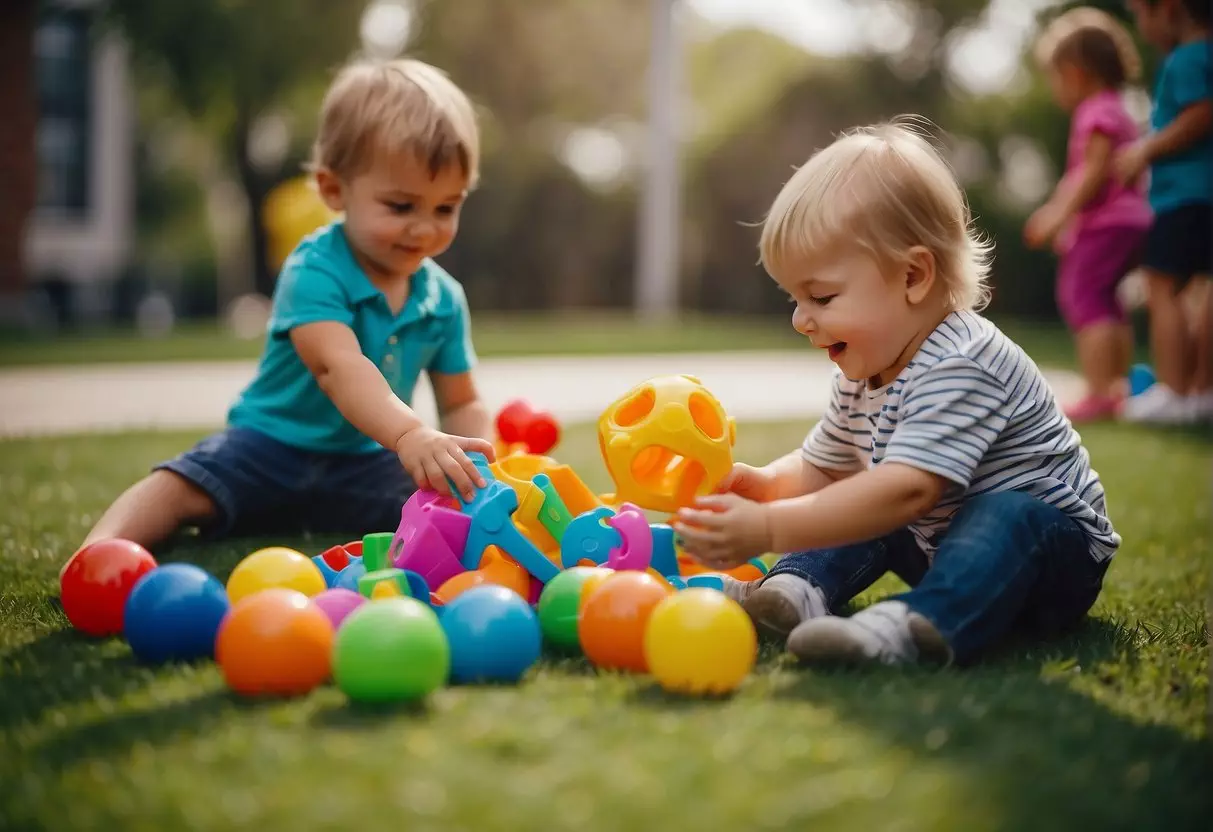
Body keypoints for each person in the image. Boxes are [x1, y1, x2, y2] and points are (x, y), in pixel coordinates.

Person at [673, 121, 1119, 668]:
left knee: (987, 510)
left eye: (821, 296)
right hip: (943, 546)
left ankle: (913, 625)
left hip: (1048, 561)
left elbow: (908, 492)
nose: (799, 319)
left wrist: (769, 527)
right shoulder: (864, 374)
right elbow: (824, 467)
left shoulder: (963, 361)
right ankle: (793, 589)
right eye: (795, 298)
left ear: (913, 275)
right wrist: (764, 487)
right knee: (860, 490)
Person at [69, 58, 495, 568]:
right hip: (268, 448)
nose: (424, 228)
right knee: (181, 484)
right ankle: (95, 556)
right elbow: (337, 367)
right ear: (335, 190)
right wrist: (409, 434)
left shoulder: (442, 299)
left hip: (365, 464)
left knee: (445, 504)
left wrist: (476, 469)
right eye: (401, 207)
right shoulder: (313, 269)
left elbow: (462, 399)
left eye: (445, 208)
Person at [1024, 7, 1152, 422]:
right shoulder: (1121, 107)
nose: (1056, 88)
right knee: (1108, 302)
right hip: (1133, 219)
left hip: (1107, 224)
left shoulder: (1095, 111)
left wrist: (1058, 215)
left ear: (1076, 71)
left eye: (1056, 77)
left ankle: (1099, 391)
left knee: (1083, 296)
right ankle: (1115, 387)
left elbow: (1092, 171)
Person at [1116, 0, 1212, 424]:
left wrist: (1145, 149)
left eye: (1142, 13)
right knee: (1204, 290)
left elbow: (1201, 115)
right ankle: (1202, 391)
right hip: (1203, 195)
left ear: (1171, 9)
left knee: (1162, 286)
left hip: (1184, 197)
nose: (1142, 25)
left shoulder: (1187, 59)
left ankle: (1174, 392)